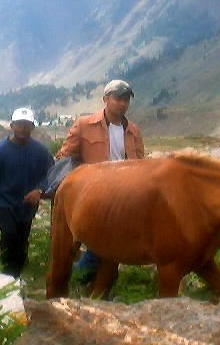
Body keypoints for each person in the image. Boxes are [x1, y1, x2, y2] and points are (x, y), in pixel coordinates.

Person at [56, 79, 145, 294]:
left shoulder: (133, 131)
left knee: (113, 245)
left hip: (124, 198)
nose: (122, 103)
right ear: (106, 99)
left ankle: (96, 288)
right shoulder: (84, 125)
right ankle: (82, 279)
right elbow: (64, 157)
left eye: (126, 99)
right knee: (100, 242)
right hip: (94, 196)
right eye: (117, 98)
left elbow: (141, 164)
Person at [0, 108, 54, 278]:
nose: (23, 128)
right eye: (19, 124)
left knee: (22, 239)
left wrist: (40, 190)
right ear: (12, 126)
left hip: (26, 204)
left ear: (32, 127)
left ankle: (16, 269)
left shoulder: (41, 152)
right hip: (0, 200)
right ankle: (8, 276)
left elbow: (51, 174)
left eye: (27, 125)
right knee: (10, 234)